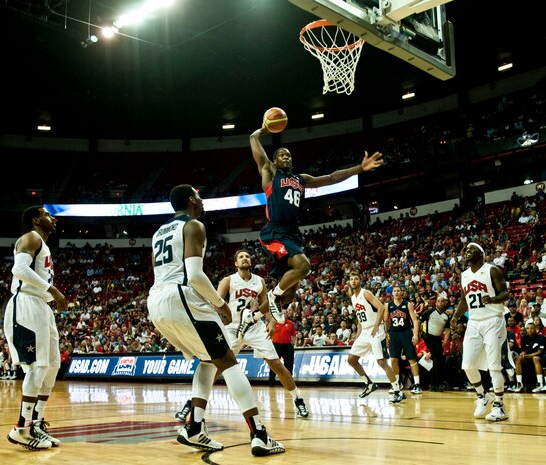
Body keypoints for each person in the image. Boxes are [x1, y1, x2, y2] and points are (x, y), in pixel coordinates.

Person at [147, 184, 284, 456]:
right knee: (229, 362)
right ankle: (259, 434)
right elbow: (195, 275)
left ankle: (195, 427)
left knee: (209, 361)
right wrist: (221, 305)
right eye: (198, 196)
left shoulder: (158, 233)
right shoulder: (193, 225)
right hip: (181, 295)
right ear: (190, 200)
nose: (202, 200)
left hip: (157, 302)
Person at [249, 127, 383, 322]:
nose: (286, 157)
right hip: (276, 231)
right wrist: (260, 131)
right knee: (304, 267)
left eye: (288, 155)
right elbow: (256, 147)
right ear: (275, 160)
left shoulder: (301, 179)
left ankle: (251, 317)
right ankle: (272, 297)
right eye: (281, 155)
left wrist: (359, 169)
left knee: (290, 293)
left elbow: (332, 177)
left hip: (293, 234)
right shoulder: (270, 172)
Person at [175, 249, 308, 421]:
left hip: (254, 326)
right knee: (214, 369)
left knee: (276, 364)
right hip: (232, 328)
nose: (245, 258)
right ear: (236, 263)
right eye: (241, 257)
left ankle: (298, 399)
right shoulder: (228, 280)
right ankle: (190, 404)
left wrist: (272, 321)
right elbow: (215, 303)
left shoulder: (259, 281)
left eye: (247, 256)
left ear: (250, 262)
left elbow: (267, 304)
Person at [4, 205, 67, 450]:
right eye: (46, 214)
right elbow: (18, 269)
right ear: (35, 219)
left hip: (41, 307)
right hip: (27, 304)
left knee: (52, 366)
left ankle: (37, 423)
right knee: (37, 367)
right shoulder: (31, 237)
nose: (52, 218)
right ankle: (22, 428)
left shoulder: (44, 243)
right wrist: (53, 289)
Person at [451, 242, 510, 421]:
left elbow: (505, 294)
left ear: (481, 254)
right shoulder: (464, 275)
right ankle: (483, 395)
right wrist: (455, 316)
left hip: (493, 320)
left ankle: (499, 406)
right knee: (468, 365)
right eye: (465, 249)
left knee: (494, 367)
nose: (467, 251)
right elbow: (463, 300)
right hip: (474, 322)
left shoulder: (492, 270)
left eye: (471, 249)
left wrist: (492, 299)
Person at [346, 271, 405, 404]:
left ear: (360, 281)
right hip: (365, 332)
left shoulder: (366, 293)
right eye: (351, 279)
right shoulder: (353, 298)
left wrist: (376, 326)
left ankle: (397, 391)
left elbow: (381, 308)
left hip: (376, 330)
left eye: (356, 278)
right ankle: (369, 384)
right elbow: (360, 317)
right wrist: (358, 334)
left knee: (382, 362)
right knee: (351, 359)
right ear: (349, 282)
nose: (353, 281)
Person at [386, 287, 422, 394]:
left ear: (402, 293)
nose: (397, 292)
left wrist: (415, 335)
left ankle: (417, 384)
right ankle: (396, 384)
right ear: (392, 293)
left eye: (398, 290)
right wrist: (386, 336)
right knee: (393, 359)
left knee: (412, 359)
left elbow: (415, 321)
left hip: (406, 333)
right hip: (394, 334)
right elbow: (386, 322)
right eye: (395, 291)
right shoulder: (388, 305)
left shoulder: (408, 304)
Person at [419, 297, 451, 391]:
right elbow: (418, 321)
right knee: (437, 359)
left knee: (438, 360)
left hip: (438, 338)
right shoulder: (429, 312)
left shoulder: (446, 316)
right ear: (436, 303)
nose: (440, 303)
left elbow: (448, 329)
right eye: (439, 301)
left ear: (445, 303)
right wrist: (416, 334)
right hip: (428, 336)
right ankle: (438, 383)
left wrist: (446, 340)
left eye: (442, 301)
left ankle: (433, 384)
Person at [509, 321, 545, 392]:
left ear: (535, 329)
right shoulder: (524, 338)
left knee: (535, 358)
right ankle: (519, 384)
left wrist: (529, 355)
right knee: (519, 358)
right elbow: (523, 350)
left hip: (539, 357)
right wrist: (523, 354)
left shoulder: (541, 337)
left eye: (531, 328)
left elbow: (540, 352)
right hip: (528, 357)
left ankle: (540, 384)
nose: (529, 330)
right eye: (528, 328)